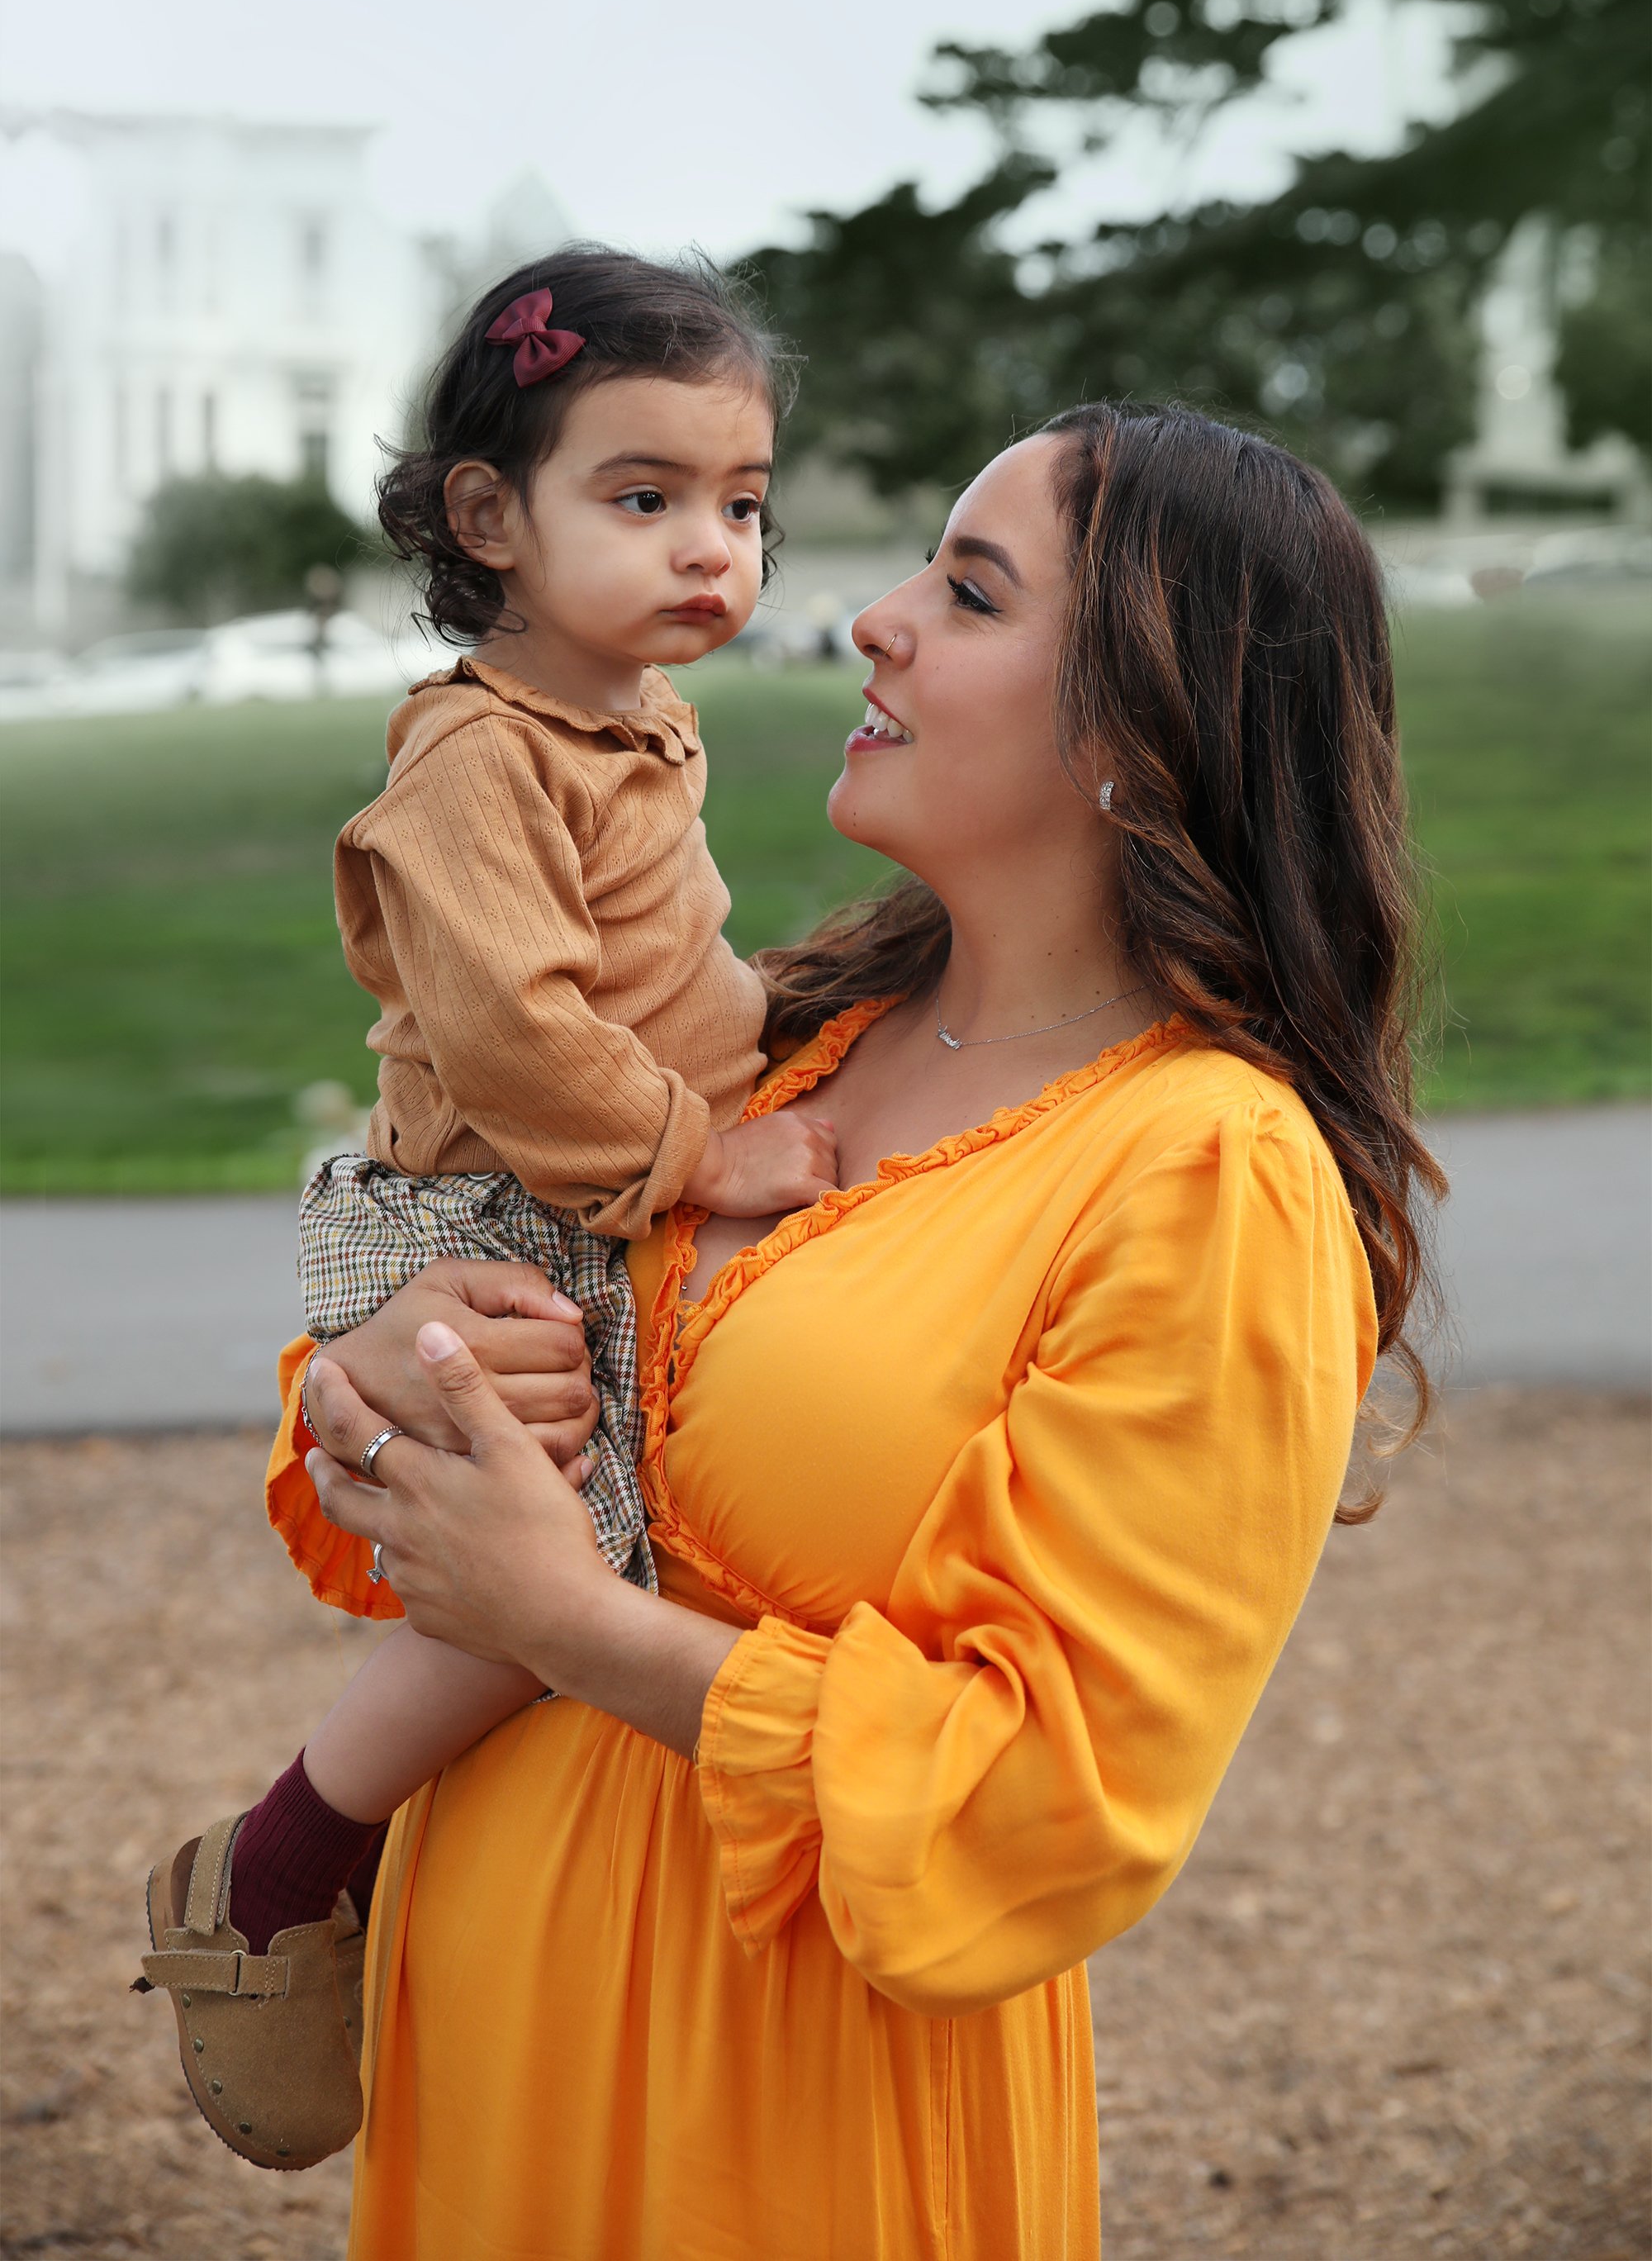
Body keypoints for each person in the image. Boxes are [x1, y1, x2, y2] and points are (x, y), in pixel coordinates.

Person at [190, 398, 1442, 2256]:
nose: (871, 616)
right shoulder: (779, 1046)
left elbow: (1045, 1801)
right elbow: (426, 1477)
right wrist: (388, 1379)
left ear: (1135, 722)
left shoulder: (1206, 1171)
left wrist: (568, 1622)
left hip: (787, 2116)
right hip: (485, 2044)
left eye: (970, 588)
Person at [135, 249, 838, 2168]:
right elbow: (520, 1038)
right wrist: (710, 1154)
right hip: (488, 1205)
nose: (713, 547)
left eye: (743, 505)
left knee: (596, 1548)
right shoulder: (472, 757)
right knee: (561, 1559)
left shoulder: (633, 718)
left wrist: (781, 1033)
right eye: (645, 498)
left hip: (572, 1176)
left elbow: (662, 968)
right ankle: (286, 1860)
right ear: (486, 519)